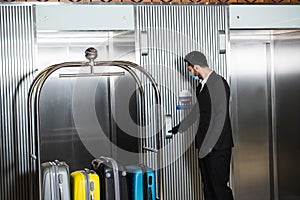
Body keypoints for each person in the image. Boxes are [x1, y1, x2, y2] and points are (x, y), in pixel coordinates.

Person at [169, 51, 234, 200]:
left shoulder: (218, 83)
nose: (189, 72)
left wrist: (210, 145)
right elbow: (196, 112)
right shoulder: (201, 87)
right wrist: (178, 128)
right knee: (208, 187)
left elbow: (221, 117)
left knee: (219, 189)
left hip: (217, 148)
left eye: (189, 69)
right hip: (204, 146)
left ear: (196, 67)